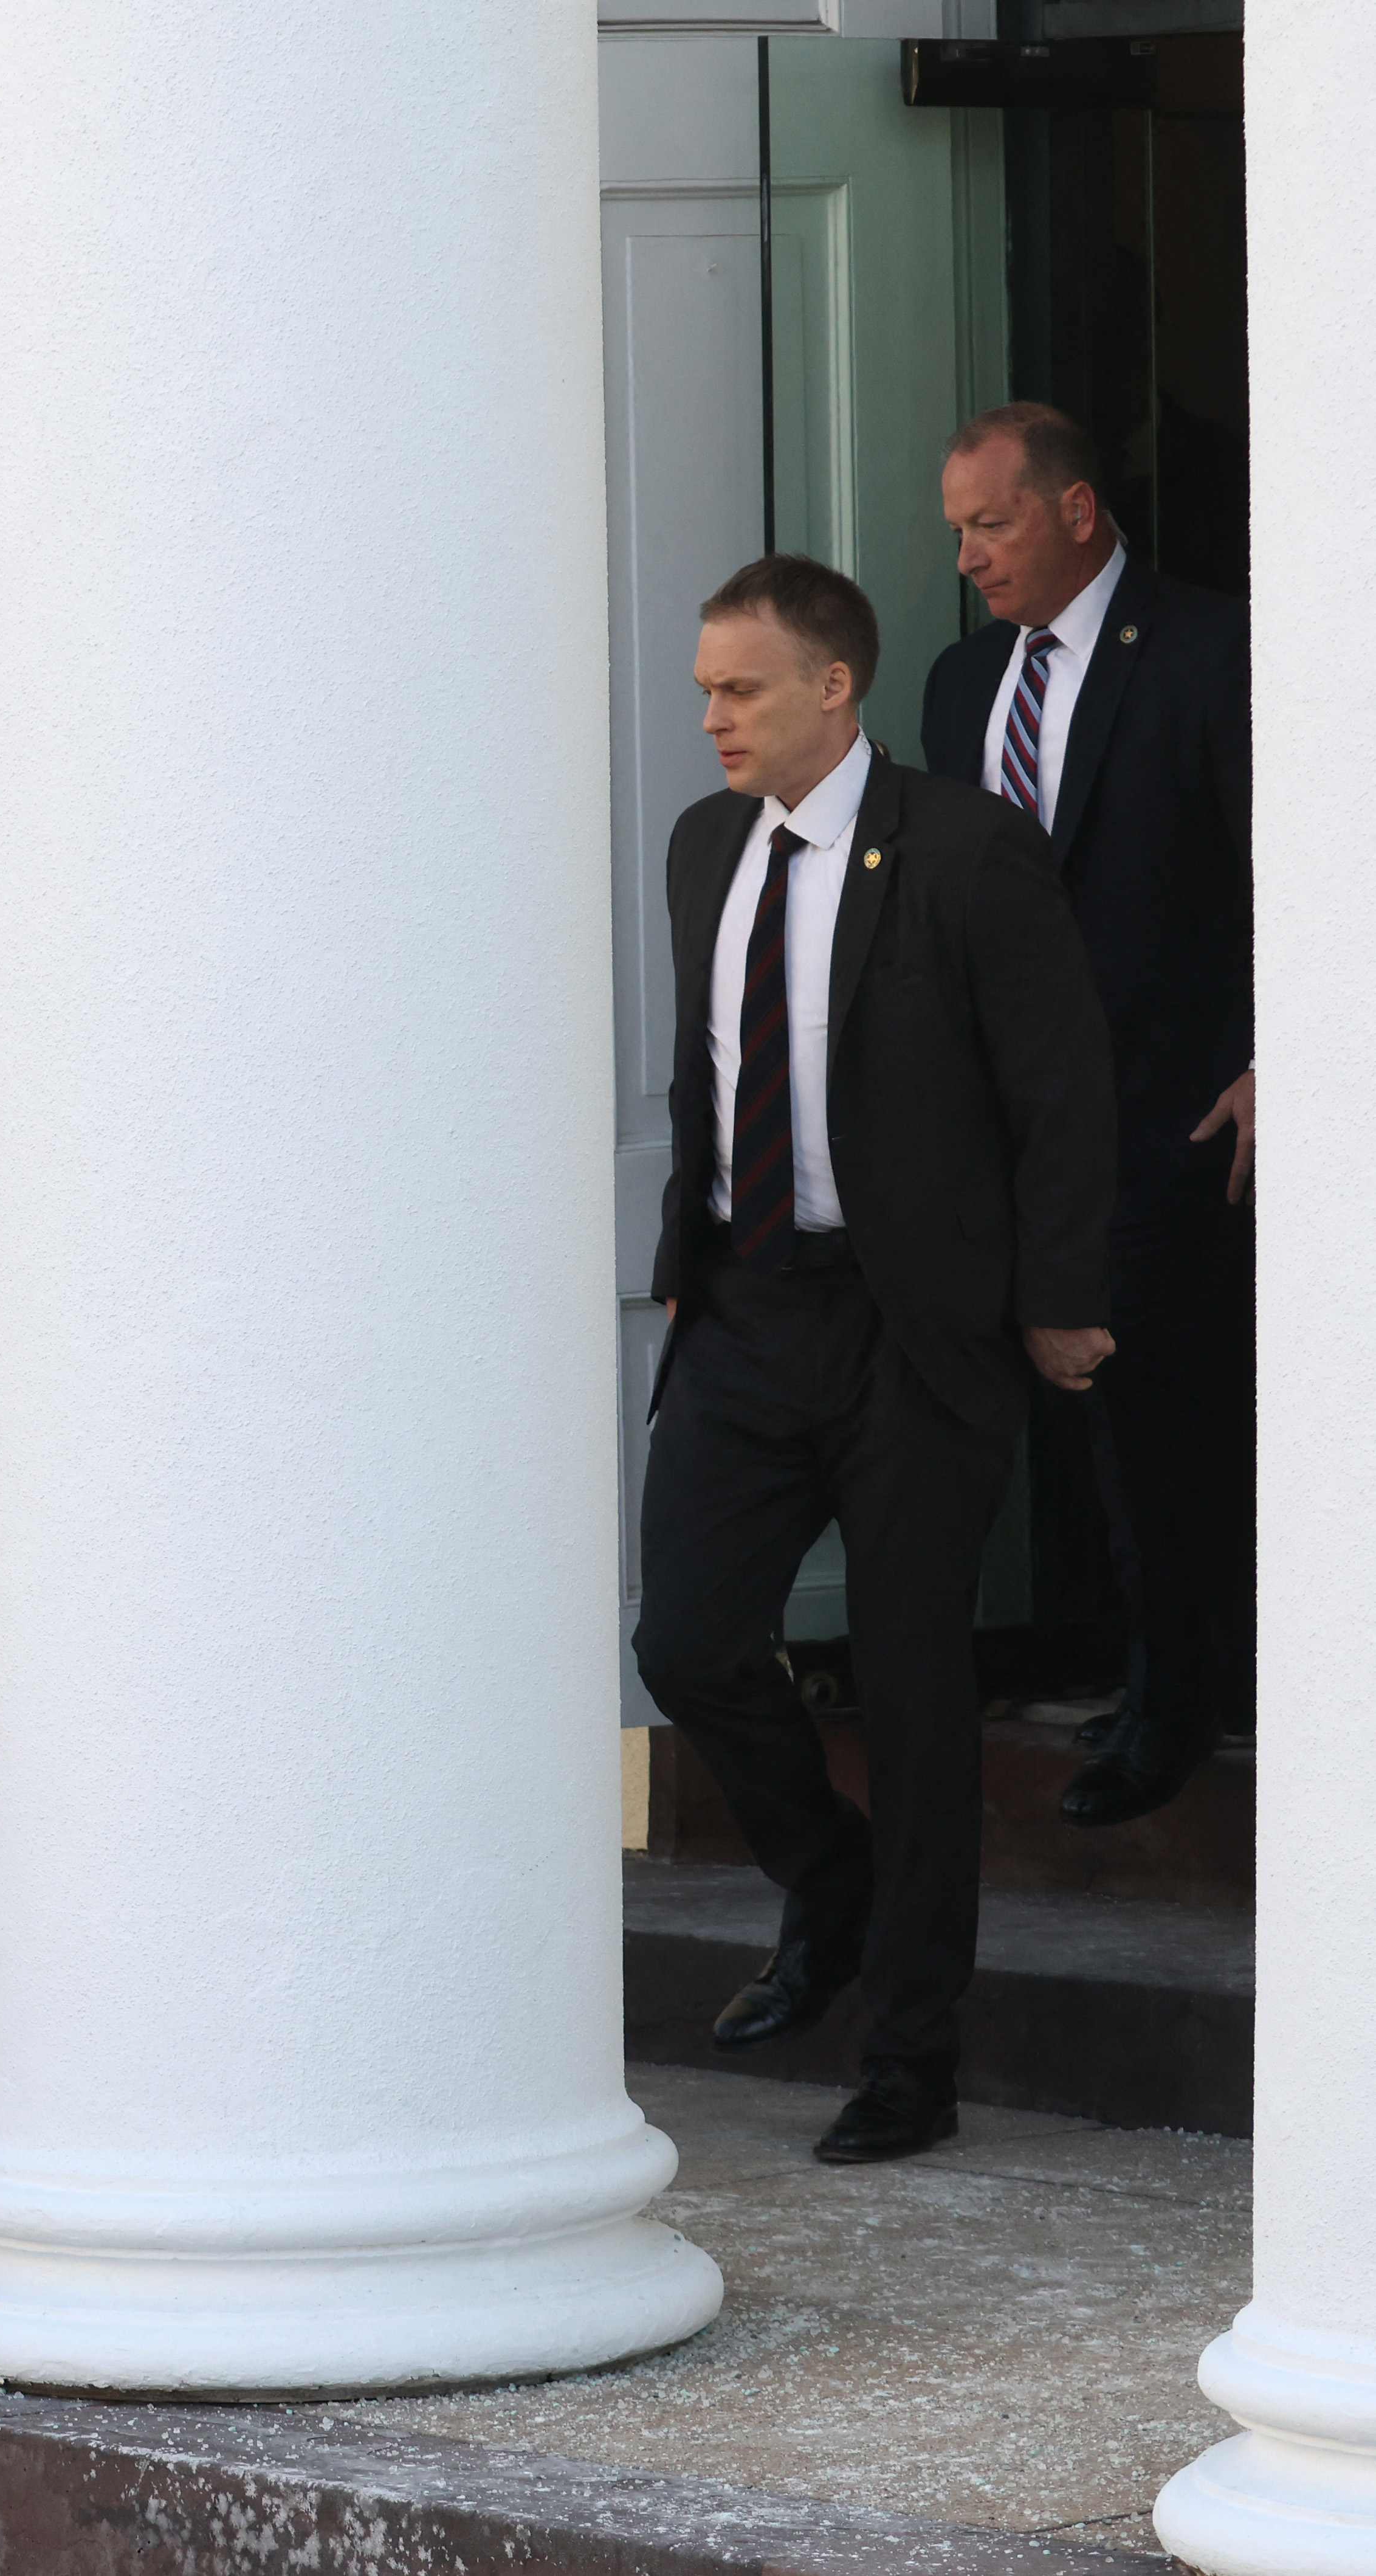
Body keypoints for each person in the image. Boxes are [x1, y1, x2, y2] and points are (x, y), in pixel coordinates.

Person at [635, 558, 1115, 2167]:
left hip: (910, 1331)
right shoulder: (703, 847)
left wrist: (1056, 1295)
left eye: (739, 688)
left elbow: (1056, 1088)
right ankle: (829, 1885)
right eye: (704, 685)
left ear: (831, 687)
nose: (709, 714)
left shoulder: (967, 850)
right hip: (744, 1313)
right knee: (688, 1639)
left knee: (915, 1698)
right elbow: (713, 1082)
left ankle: (908, 2056)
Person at [922, 403, 1254, 1829]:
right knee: (1019, 1409)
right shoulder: (957, 682)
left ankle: (1171, 1698)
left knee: (1154, 1418)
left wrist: (1274, 1056)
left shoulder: (1207, 649)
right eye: (954, 532)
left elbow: (1285, 864)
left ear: (1072, 512)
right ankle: (1058, 1644)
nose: (967, 559)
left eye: (988, 525)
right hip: (1002, 1126)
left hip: (1166, 1111)